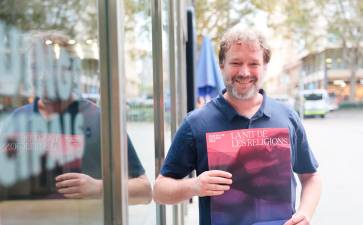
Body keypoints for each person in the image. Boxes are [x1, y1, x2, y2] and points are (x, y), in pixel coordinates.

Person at [153, 26, 322, 225]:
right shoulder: (196, 123)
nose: (244, 72)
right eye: (235, 63)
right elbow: (159, 190)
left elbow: (311, 176)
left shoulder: (288, 118)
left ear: (265, 66)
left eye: (253, 64)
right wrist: (195, 186)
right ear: (221, 65)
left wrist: (305, 213)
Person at [0, 33, 151, 204]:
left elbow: (145, 190)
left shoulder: (99, 120)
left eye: (52, 67)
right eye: (35, 68)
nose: (42, 75)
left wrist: (99, 188)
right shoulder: (18, 119)